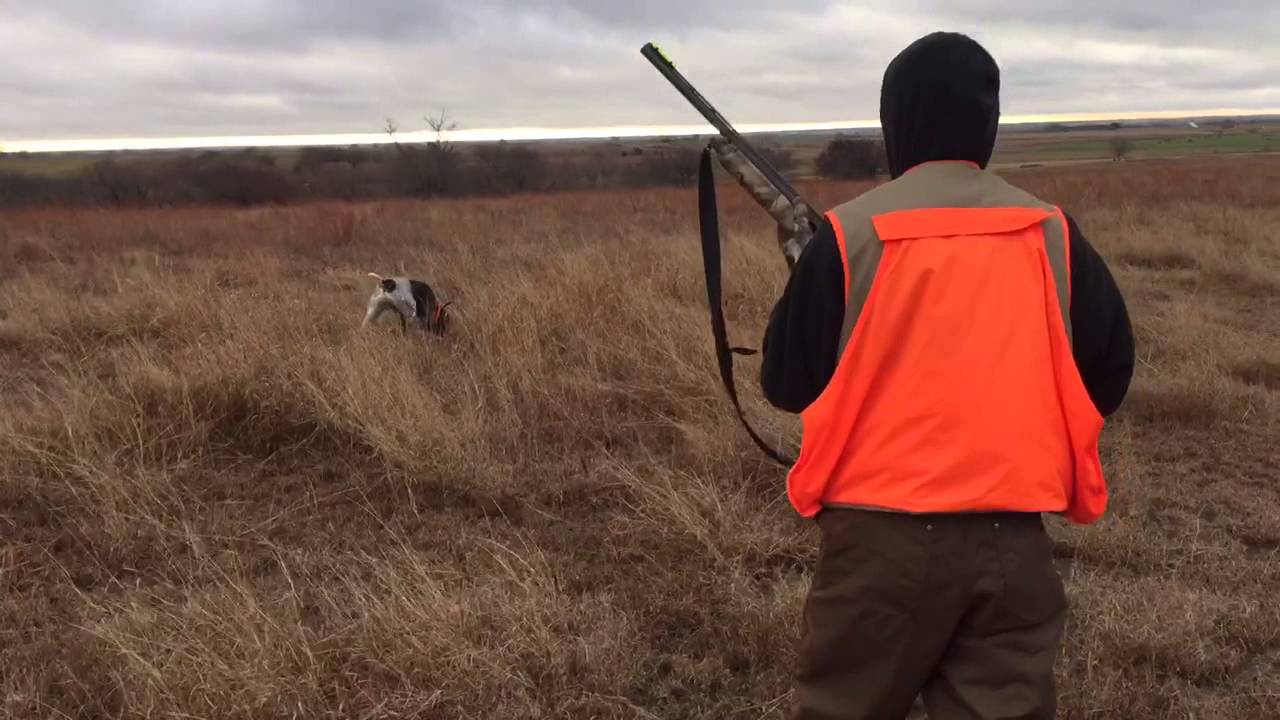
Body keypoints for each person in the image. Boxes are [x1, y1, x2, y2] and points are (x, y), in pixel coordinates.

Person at [760, 31, 1135, 720]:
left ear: (894, 122)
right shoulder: (1051, 231)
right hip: (1013, 543)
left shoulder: (848, 235)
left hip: (878, 549)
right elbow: (1110, 370)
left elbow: (785, 382)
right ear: (986, 125)